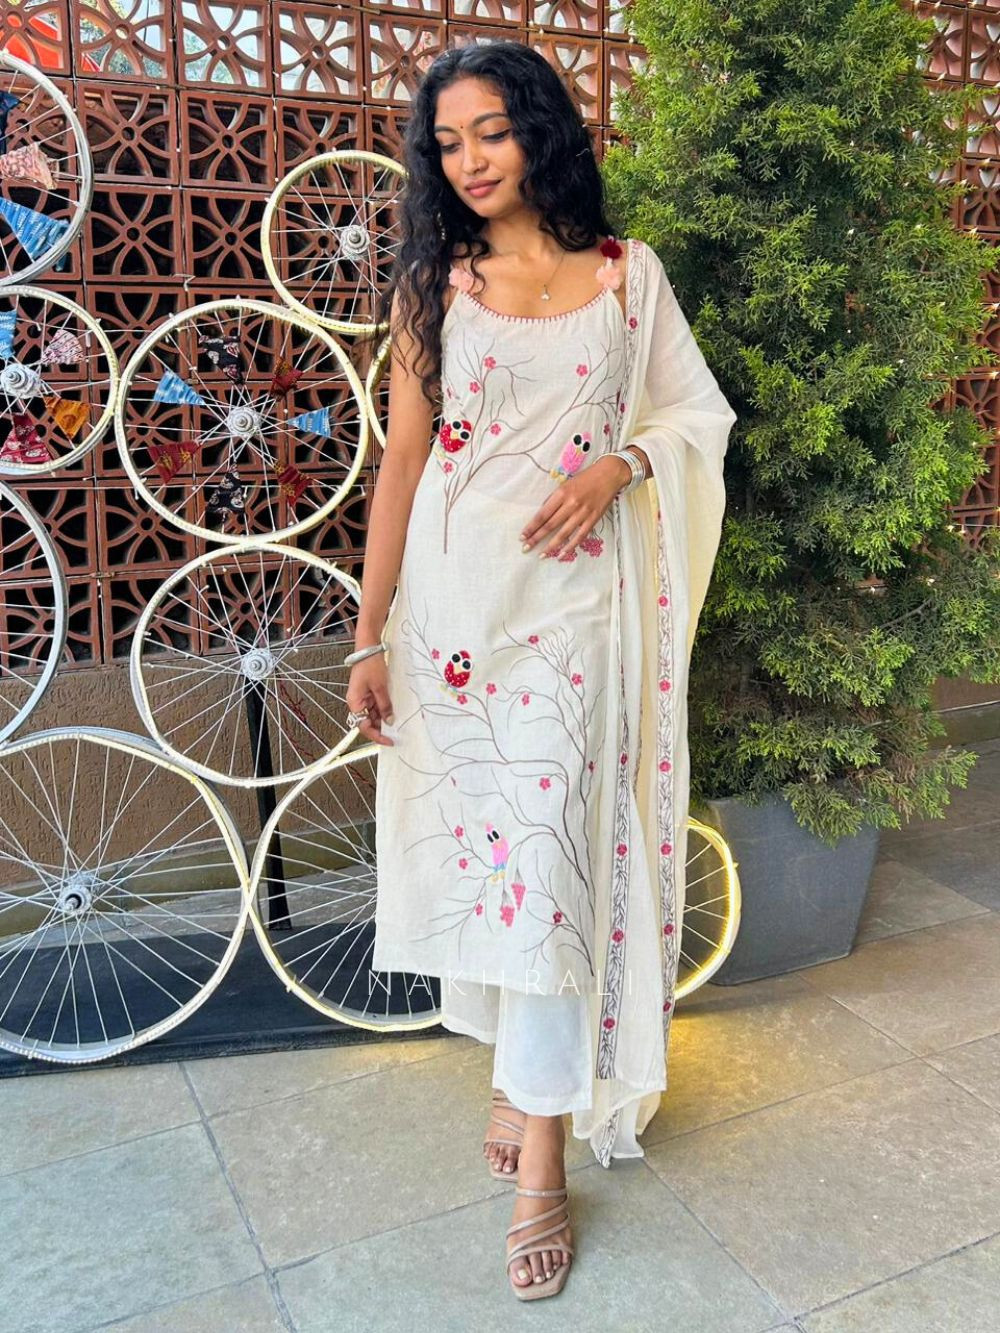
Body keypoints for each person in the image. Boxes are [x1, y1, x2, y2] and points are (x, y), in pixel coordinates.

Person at [346, 39, 737, 1301]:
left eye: (490, 132)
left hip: (577, 621)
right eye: (446, 143)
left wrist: (618, 464)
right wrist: (368, 631)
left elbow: (694, 414)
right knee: (497, 866)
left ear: (538, 131)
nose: (468, 161)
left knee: (558, 863)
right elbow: (403, 461)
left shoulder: (627, 278)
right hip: (458, 619)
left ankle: (542, 1160)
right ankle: (524, 1076)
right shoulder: (434, 283)